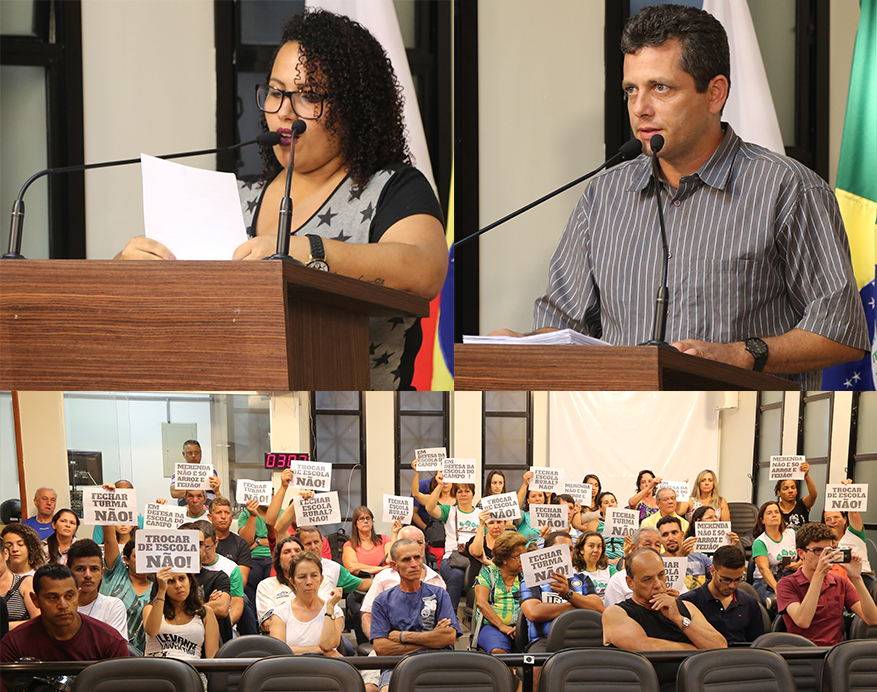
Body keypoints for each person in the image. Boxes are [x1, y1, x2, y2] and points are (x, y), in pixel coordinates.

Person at [492, 3, 867, 389]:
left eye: (660, 88)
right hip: (621, 419)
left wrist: (743, 353)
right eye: (631, 90)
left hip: (739, 419)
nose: (640, 109)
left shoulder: (786, 188)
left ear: (715, 94)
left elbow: (841, 331)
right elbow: (564, 326)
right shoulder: (604, 195)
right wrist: (523, 344)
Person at [116, 9, 448, 392]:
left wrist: (305, 252)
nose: (284, 112)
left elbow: (425, 270)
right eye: (276, 92)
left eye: (308, 96)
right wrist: (126, 275)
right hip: (235, 416)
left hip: (360, 420)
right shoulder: (235, 197)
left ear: (354, 107)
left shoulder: (392, 188)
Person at [603, 549, 726, 689]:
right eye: (647, 579)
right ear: (630, 583)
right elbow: (646, 647)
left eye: (661, 575)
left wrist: (679, 619)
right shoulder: (616, 613)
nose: (658, 584)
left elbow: (720, 646)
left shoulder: (686, 607)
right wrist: (699, 649)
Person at [371, 538, 461, 692]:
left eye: (417, 557)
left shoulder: (439, 594)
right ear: (394, 566)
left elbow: (449, 637)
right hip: (398, 664)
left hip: (437, 661)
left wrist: (402, 636)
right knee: (387, 689)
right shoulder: (382, 600)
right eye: (406, 560)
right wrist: (432, 639)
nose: (414, 564)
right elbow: (381, 648)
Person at [0, 564, 128, 668]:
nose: (63, 605)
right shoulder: (14, 643)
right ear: (35, 600)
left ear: (78, 595)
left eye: (69, 596)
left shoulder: (110, 641)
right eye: (53, 597)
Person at [776, 522, 877, 645]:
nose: (824, 556)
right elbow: (802, 621)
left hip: (834, 651)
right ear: (801, 553)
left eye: (829, 550)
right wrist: (819, 574)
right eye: (818, 550)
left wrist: (856, 578)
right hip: (802, 651)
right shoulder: (786, 584)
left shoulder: (840, 582)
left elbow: (872, 619)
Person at [520, 531, 604, 652]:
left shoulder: (583, 578)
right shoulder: (531, 580)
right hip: (545, 640)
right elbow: (534, 612)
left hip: (583, 638)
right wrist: (579, 605)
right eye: (561, 548)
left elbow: (598, 607)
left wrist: (569, 594)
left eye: (570, 549)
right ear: (547, 551)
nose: (567, 553)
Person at [360, 526, 446, 640]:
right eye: (408, 542)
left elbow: (445, 627)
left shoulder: (437, 580)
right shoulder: (384, 577)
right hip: (391, 643)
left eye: (420, 542)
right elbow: (367, 615)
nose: (415, 546)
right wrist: (378, 639)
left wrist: (406, 638)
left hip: (429, 645)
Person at [679, 545, 763, 644]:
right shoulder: (688, 602)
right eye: (726, 579)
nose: (732, 585)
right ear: (712, 571)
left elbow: (758, 645)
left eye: (738, 579)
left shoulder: (750, 604)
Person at [269, 551, 345, 655]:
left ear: (321, 579)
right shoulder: (281, 612)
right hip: (292, 665)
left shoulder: (335, 611)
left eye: (314, 575)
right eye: (302, 577)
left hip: (325, 665)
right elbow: (278, 651)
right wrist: (319, 650)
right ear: (293, 581)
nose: (309, 582)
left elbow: (328, 645)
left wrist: (330, 607)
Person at [424, 473, 480, 610]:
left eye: (467, 491)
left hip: (476, 559)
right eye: (459, 491)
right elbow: (430, 508)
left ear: (473, 494)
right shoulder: (449, 511)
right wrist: (440, 485)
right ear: (455, 495)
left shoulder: (480, 513)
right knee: (456, 576)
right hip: (452, 558)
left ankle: (478, 613)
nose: (463, 494)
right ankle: (450, 614)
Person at [144, 567, 219, 661]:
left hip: (190, 668)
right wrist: (161, 590)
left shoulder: (206, 613)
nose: (178, 585)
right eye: (171, 581)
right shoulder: (150, 609)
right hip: (158, 667)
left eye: (182, 579)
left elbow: (212, 659)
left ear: (190, 581)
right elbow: (152, 631)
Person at [177, 521, 233, 644]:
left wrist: (179, 609)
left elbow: (221, 608)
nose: (197, 548)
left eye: (201, 544)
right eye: (191, 543)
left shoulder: (219, 577)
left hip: (211, 645)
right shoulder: (166, 579)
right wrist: (206, 605)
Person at [473, 531, 528, 653]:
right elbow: (481, 603)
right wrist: (502, 626)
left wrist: (520, 627)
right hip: (493, 627)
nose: (523, 560)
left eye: (525, 555)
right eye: (518, 557)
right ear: (504, 559)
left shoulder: (527, 575)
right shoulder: (489, 573)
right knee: (498, 651)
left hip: (524, 627)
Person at [100, 523, 152, 652]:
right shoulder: (116, 572)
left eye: (147, 556)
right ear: (126, 559)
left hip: (137, 655)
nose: (143, 560)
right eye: (137, 556)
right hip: (103, 647)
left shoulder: (158, 589)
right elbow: (109, 539)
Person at [188, 520, 245, 634]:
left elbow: (231, 606)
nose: (203, 552)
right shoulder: (175, 575)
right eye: (196, 546)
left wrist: (227, 625)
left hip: (219, 626)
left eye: (207, 547)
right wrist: (207, 605)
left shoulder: (228, 569)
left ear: (216, 543)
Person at [66, 539, 127, 639]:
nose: (88, 575)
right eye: (80, 569)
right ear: (69, 572)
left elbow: (116, 647)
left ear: (102, 573)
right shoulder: (60, 606)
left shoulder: (112, 606)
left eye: (94, 569)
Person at [823, 479, 875, 591]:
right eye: (828, 519)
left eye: (836, 517)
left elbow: (854, 513)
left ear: (845, 519)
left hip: (862, 577)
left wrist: (848, 491)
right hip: (835, 581)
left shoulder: (853, 534)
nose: (832, 521)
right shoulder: (822, 542)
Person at [256, 535, 314, 633]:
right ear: (279, 561)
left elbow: (326, 617)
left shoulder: (318, 582)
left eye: (297, 551)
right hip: (280, 639)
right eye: (287, 552)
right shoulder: (266, 585)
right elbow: (268, 624)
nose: (293, 554)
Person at [751, 501, 799, 607]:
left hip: (789, 577)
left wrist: (798, 564)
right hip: (765, 582)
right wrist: (778, 589)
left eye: (777, 512)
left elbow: (807, 553)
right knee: (782, 602)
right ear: (762, 520)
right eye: (769, 513)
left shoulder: (792, 534)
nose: (774, 515)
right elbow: (764, 569)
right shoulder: (760, 542)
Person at [681, 505, 739, 589]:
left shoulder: (724, 540)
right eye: (710, 517)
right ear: (698, 521)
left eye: (716, 517)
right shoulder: (689, 542)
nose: (715, 520)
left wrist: (731, 547)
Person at [410, 458, 456, 563]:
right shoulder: (431, 499)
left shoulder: (459, 499)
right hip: (438, 541)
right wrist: (417, 472)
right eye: (442, 479)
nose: (445, 482)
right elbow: (416, 494)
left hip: (455, 542)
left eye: (448, 479)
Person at [604, 526, 663, 607]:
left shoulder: (668, 576)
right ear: (634, 548)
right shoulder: (618, 580)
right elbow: (614, 612)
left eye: (657, 545)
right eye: (648, 544)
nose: (653, 549)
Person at [168, 440, 222, 507]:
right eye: (189, 453)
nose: (193, 456)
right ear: (184, 454)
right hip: (186, 511)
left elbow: (215, 491)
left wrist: (188, 489)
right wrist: (202, 487)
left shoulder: (211, 471)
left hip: (208, 510)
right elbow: (174, 492)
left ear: (201, 453)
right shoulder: (179, 472)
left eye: (197, 453)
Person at [343, 506, 391, 576]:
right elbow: (351, 567)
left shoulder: (384, 539)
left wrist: (394, 533)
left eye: (368, 518)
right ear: (355, 524)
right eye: (361, 519)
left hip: (385, 579)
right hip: (363, 582)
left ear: (372, 521)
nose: (365, 521)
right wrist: (381, 569)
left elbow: (391, 561)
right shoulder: (350, 545)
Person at [92, 480, 145, 545]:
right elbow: (96, 548)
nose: (123, 496)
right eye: (119, 492)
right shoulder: (102, 522)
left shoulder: (143, 522)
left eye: (128, 493)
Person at [0, 543, 38, 630]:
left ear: (5, 554)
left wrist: (5, 626)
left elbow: (38, 620)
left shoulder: (25, 583)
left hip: (20, 636)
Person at [572, 530, 617, 600]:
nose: (596, 550)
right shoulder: (573, 572)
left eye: (599, 546)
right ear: (581, 550)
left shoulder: (610, 570)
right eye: (591, 546)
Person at [775, 461, 818, 530]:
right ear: (778, 493)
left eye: (793, 487)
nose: (790, 491)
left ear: (797, 491)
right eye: (785, 488)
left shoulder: (802, 505)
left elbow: (813, 495)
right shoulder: (774, 508)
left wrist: (806, 475)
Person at [584, 491, 625, 565]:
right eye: (606, 503)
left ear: (616, 504)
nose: (610, 504)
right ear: (600, 507)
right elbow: (589, 547)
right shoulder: (594, 524)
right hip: (601, 559)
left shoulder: (626, 524)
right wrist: (607, 561)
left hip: (623, 559)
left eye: (613, 501)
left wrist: (623, 560)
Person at [515, 470, 550, 546]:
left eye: (540, 495)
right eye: (533, 496)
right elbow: (515, 508)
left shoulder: (551, 516)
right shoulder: (524, 517)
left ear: (544, 498)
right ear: (528, 500)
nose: (537, 499)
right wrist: (525, 484)